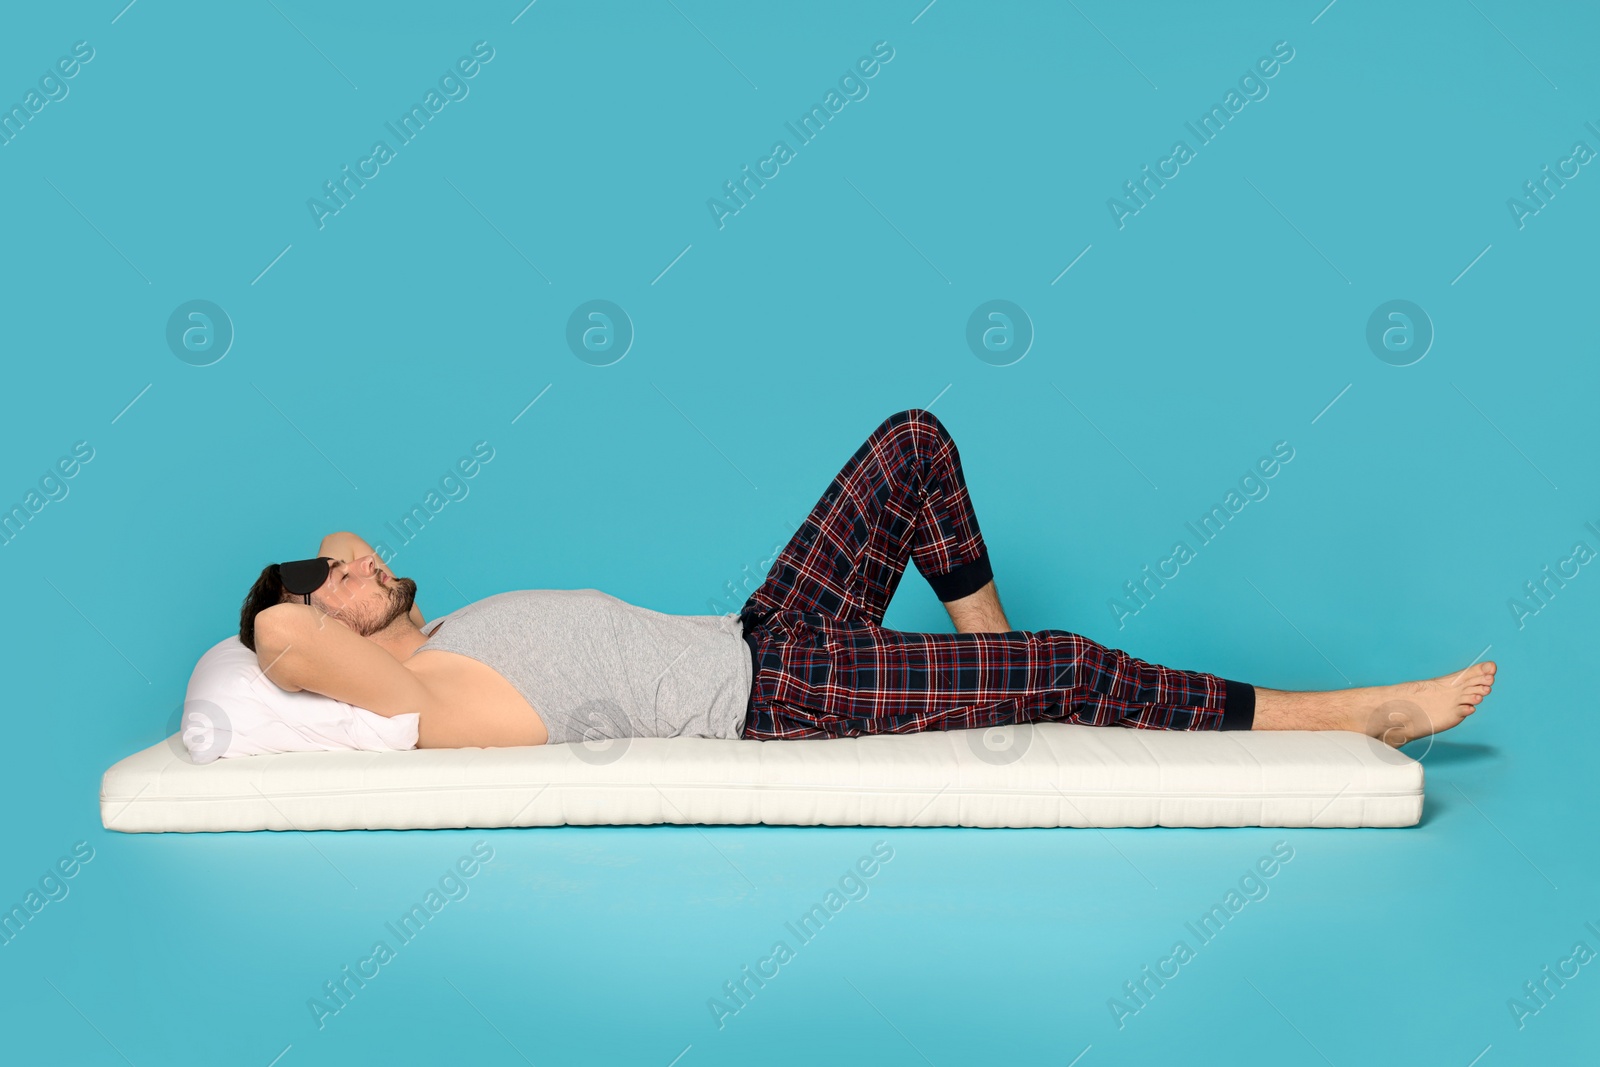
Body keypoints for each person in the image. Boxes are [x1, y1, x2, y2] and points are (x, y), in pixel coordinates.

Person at [239, 409, 1494, 751]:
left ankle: (1002, 689)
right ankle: (1363, 708)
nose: (361, 563)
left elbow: (340, 561)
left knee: (912, 445)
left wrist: (349, 565)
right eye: (338, 574)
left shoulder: (447, 622)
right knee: (1065, 662)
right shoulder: (426, 699)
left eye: (360, 560)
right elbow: (287, 635)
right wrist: (283, 601)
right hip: (773, 695)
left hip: (762, 630)